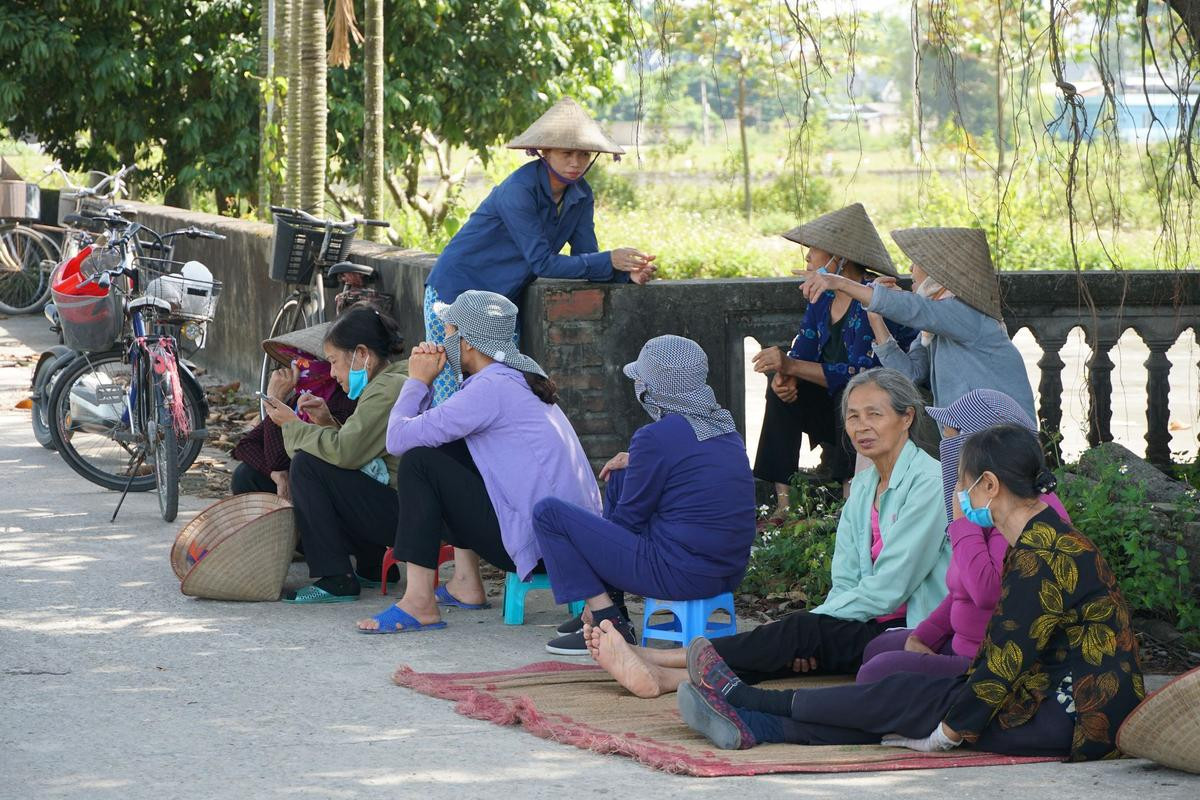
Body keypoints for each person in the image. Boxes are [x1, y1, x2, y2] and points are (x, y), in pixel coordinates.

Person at [676, 424, 1145, 764]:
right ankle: (757, 722)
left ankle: (750, 702)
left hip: (1074, 715)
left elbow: (1006, 663)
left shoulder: (1039, 554)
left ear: (989, 486)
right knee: (904, 698)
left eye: (962, 482)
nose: (957, 493)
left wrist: (945, 733)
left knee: (907, 702)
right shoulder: (1046, 538)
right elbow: (1007, 659)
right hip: (1057, 695)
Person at [587, 368, 949, 698]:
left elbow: (890, 588)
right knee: (792, 646)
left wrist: (817, 622)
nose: (861, 426)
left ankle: (661, 659)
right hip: (866, 618)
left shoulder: (928, 483)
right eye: (853, 416)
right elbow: (846, 576)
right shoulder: (865, 484)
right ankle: (672, 678)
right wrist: (820, 623)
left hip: (911, 627)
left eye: (875, 414)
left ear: (907, 418)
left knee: (797, 634)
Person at [359, 290, 600, 634]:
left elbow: (397, 440)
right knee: (445, 451)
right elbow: (428, 431)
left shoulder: (488, 389)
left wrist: (416, 381)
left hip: (547, 547)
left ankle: (418, 602)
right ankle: (466, 584)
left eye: (449, 331)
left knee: (418, 463)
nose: (443, 339)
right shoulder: (515, 377)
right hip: (569, 541)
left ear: (467, 342)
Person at [532, 335, 757, 656]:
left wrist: (590, 551)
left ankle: (605, 618)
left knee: (548, 513)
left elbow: (627, 522)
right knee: (622, 475)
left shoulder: (654, 437)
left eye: (641, 379)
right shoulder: (724, 427)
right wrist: (635, 463)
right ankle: (614, 607)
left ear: (653, 388)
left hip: (681, 574)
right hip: (728, 572)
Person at [423, 97, 656, 405]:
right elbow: (543, 262)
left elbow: (586, 257)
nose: (575, 162)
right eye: (566, 153)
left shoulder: (581, 194)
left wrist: (626, 275)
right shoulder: (519, 190)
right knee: (450, 392)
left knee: (502, 393)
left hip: (501, 303)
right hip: (454, 292)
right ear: (544, 152)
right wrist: (609, 259)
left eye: (583, 154)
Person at [856, 389, 1071, 684]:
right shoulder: (986, 503)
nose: (944, 442)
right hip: (963, 641)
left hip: (993, 663)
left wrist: (961, 520)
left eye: (950, 434)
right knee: (876, 649)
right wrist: (924, 637)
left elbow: (986, 591)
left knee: (877, 673)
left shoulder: (1019, 511)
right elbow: (961, 591)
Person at [751, 204, 916, 516]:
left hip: (876, 409)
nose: (808, 259)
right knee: (779, 393)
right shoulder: (822, 296)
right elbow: (804, 349)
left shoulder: (877, 295)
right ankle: (783, 505)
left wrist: (791, 366)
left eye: (814, 250)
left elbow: (859, 370)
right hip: (828, 406)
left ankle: (848, 502)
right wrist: (786, 377)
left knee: (853, 393)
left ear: (839, 258)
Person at [800, 226, 1036, 421]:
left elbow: (914, 309)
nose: (910, 270)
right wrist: (875, 316)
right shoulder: (931, 329)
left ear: (939, 272)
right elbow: (909, 375)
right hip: (964, 433)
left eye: (916, 263)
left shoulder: (967, 313)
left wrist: (841, 283)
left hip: (1002, 437)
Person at [262, 306, 409, 604]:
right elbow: (362, 445)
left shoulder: (388, 389)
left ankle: (336, 578)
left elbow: (346, 452)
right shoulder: (389, 380)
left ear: (361, 354)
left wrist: (291, 424)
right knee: (315, 461)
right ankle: (371, 565)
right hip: (400, 505)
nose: (331, 373)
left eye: (333, 362)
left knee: (306, 465)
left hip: (407, 514)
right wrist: (326, 421)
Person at [231, 323, 356, 500]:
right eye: (294, 361)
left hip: (324, 485)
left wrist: (275, 399)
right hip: (296, 479)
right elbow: (244, 446)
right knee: (245, 475)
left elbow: (280, 460)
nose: (297, 368)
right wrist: (277, 475)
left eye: (304, 363)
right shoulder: (298, 398)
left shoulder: (343, 398)